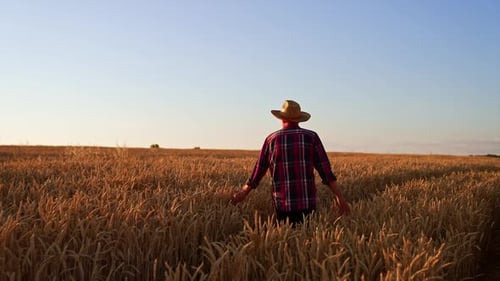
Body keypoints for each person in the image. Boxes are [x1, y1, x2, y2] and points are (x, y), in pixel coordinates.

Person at [231, 100, 350, 225]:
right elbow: (326, 172)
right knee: (307, 239)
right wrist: (340, 198)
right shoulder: (311, 137)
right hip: (307, 201)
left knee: (286, 241)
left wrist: (244, 192)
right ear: (299, 119)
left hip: (282, 203)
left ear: (282, 119)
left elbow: (258, 171)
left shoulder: (271, 139)